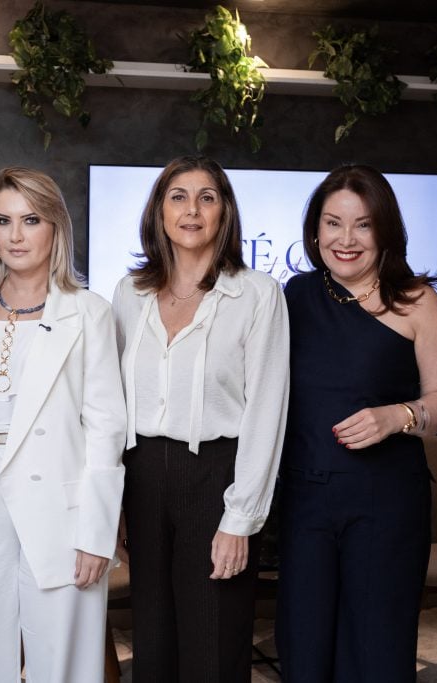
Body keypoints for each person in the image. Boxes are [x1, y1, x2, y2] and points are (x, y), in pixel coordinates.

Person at [0, 167, 126, 683]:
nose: (15, 235)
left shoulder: (90, 312)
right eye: (3, 220)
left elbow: (108, 430)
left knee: (61, 657)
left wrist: (96, 533)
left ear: (56, 227)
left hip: (59, 500)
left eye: (31, 219)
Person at [275, 164, 437, 682]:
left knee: (377, 643)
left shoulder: (419, 302)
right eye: (333, 223)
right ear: (315, 232)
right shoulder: (294, 298)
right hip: (305, 498)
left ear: (385, 229)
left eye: (362, 224)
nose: (346, 239)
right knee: (304, 641)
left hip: (386, 501)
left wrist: (400, 415)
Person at [111, 155, 290, 683]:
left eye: (207, 197)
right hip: (141, 474)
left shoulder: (257, 294)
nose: (192, 210)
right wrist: (112, 499)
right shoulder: (129, 292)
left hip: (216, 476)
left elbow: (267, 411)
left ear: (225, 213)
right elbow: (111, 402)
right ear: (159, 211)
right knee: (152, 637)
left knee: (214, 640)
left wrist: (240, 519)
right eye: (178, 196)